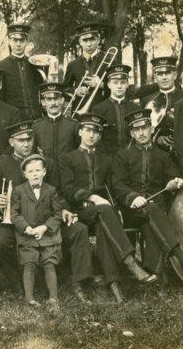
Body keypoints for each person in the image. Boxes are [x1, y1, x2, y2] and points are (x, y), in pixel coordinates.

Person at [59, 113, 158, 303]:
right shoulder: (67, 158)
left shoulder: (107, 160)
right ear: (80, 132)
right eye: (87, 130)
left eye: (96, 132)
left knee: (104, 226)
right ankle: (131, 263)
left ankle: (114, 287)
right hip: (78, 211)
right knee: (104, 212)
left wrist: (109, 203)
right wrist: (93, 197)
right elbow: (68, 189)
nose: (91, 135)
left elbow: (112, 188)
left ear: (100, 136)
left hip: (103, 213)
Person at [0, 121, 93, 303]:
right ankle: (18, 282)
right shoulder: (1, 166)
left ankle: (78, 283)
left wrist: (63, 210)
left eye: (29, 139)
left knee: (79, 229)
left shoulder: (48, 164)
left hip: (47, 220)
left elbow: (57, 192)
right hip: (18, 221)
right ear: (11, 142)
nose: (26, 144)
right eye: (20, 140)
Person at [112, 108, 183, 278]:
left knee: (151, 216)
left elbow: (173, 175)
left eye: (144, 128)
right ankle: (179, 255)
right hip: (132, 210)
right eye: (136, 129)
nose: (141, 133)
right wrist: (133, 197)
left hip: (156, 210)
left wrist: (177, 180)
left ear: (151, 129)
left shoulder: (163, 156)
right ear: (131, 133)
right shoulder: (122, 156)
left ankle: (153, 274)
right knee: (151, 211)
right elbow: (118, 185)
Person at [11, 154, 62, 311]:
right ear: (25, 174)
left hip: (47, 233)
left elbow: (57, 214)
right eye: (30, 171)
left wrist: (45, 227)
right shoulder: (19, 190)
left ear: (44, 172)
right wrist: (26, 228)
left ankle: (53, 298)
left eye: (38, 170)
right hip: (27, 234)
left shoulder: (51, 190)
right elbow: (14, 213)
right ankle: (30, 299)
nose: (34, 174)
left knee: (49, 262)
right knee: (29, 262)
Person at [32, 83, 80, 184]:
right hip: (45, 180)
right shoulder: (36, 126)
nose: (53, 103)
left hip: (69, 178)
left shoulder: (73, 125)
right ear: (43, 102)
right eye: (49, 99)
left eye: (56, 98)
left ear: (62, 100)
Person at [0, 24, 42, 120]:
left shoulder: (33, 64)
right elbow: (0, 96)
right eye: (15, 40)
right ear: (9, 41)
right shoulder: (0, 66)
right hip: (14, 119)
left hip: (36, 117)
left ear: (27, 41)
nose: (18, 44)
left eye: (22, 40)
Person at [63, 22, 112, 112]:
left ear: (98, 39)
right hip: (80, 109)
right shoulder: (72, 65)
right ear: (80, 42)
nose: (89, 44)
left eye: (92, 39)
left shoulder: (109, 61)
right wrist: (75, 91)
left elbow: (118, 88)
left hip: (104, 109)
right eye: (85, 40)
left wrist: (101, 85)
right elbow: (64, 89)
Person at [92, 65, 140, 155]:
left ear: (127, 84)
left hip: (133, 159)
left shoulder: (135, 109)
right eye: (115, 82)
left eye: (122, 82)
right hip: (108, 160)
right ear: (109, 85)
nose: (119, 86)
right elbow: (96, 139)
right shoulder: (98, 109)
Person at [141, 56, 183, 158]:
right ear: (155, 76)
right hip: (156, 156)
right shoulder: (147, 101)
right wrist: (157, 138)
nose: (164, 77)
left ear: (175, 74)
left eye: (168, 73)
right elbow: (142, 129)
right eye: (159, 74)